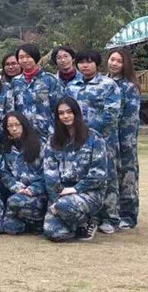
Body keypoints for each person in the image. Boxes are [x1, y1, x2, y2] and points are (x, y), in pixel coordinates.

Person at [66, 50, 122, 234]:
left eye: (89, 62)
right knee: (85, 177)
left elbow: (111, 114)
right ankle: (91, 216)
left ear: (97, 64)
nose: (85, 65)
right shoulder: (71, 87)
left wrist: (89, 133)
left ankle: (111, 217)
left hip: (103, 141)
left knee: (108, 177)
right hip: (78, 142)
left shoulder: (108, 85)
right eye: (81, 62)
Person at [43, 98, 108, 242]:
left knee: (64, 206)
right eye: (61, 113)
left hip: (89, 192)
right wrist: (56, 199)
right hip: (62, 194)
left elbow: (99, 174)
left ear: (76, 113)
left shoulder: (94, 138)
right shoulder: (53, 141)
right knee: (52, 232)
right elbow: (50, 175)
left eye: (69, 112)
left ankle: (86, 222)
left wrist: (76, 189)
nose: (65, 116)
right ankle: (75, 224)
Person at [107, 48, 141, 229]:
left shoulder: (129, 87)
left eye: (119, 61)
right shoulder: (103, 82)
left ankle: (128, 215)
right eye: (112, 59)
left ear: (125, 65)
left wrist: (126, 143)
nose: (114, 63)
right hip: (107, 140)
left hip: (124, 139)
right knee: (110, 177)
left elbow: (131, 118)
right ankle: (111, 213)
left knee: (127, 176)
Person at [0, 111, 47, 235]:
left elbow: (48, 173)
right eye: (10, 126)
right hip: (17, 192)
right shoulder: (6, 148)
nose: (14, 129)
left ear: (24, 125)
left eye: (17, 125)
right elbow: (4, 173)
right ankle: (30, 223)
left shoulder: (40, 144)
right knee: (9, 228)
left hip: (38, 193)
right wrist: (17, 187)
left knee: (14, 201)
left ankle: (40, 221)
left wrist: (33, 189)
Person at [10, 43, 61, 145]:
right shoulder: (15, 82)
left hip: (48, 134)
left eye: (28, 57)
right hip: (23, 135)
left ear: (35, 57)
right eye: (21, 57)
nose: (25, 60)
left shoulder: (50, 80)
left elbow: (58, 107)